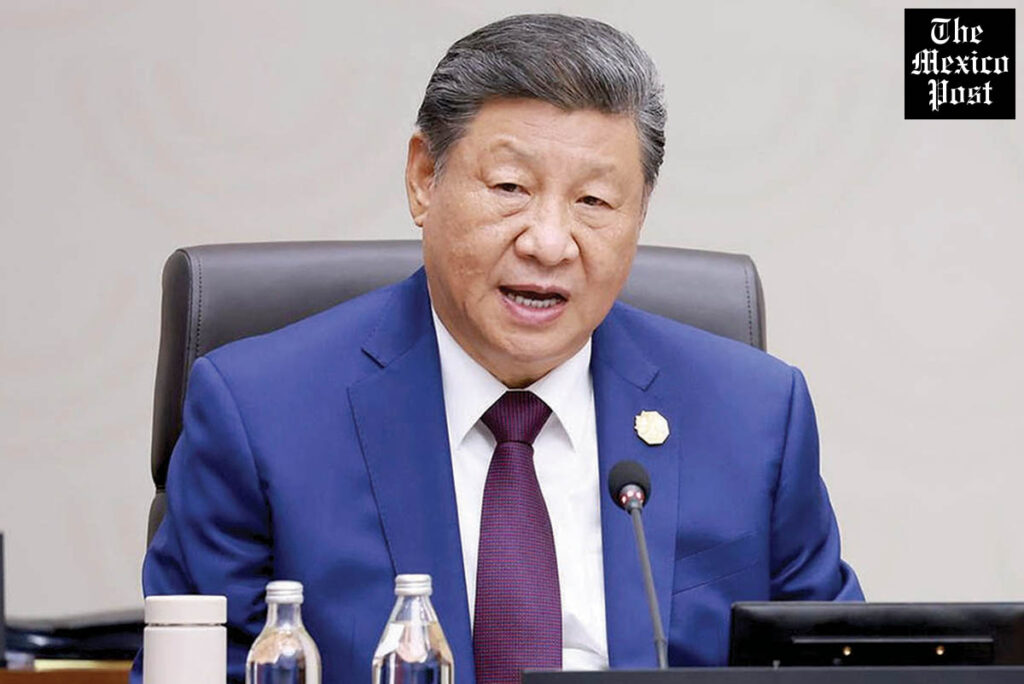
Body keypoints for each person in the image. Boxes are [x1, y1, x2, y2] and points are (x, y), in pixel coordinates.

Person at [135, 13, 862, 684]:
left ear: (640, 214)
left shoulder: (754, 416)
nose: (548, 243)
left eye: (594, 202)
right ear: (424, 179)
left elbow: (836, 668)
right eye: (511, 186)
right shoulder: (261, 413)